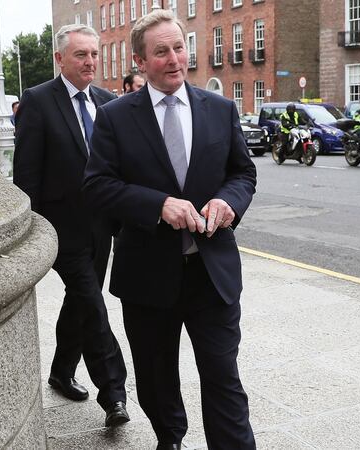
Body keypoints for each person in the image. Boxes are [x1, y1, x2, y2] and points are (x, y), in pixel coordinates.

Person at [83, 10, 256, 449]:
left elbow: (242, 174)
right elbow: (98, 186)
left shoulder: (219, 108)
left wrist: (227, 202)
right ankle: (170, 439)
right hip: (148, 277)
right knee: (157, 380)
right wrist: (158, 205)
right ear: (140, 61)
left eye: (179, 47)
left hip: (210, 272)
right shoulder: (116, 117)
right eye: (162, 51)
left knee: (223, 378)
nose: (175, 58)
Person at [13, 24, 129, 428]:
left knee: (81, 300)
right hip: (62, 229)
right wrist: (31, 229)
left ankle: (62, 372)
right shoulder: (38, 101)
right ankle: (114, 394)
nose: (91, 62)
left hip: (103, 228)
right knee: (93, 307)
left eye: (94, 54)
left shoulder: (108, 101)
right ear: (60, 59)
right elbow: (26, 174)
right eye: (81, 55)